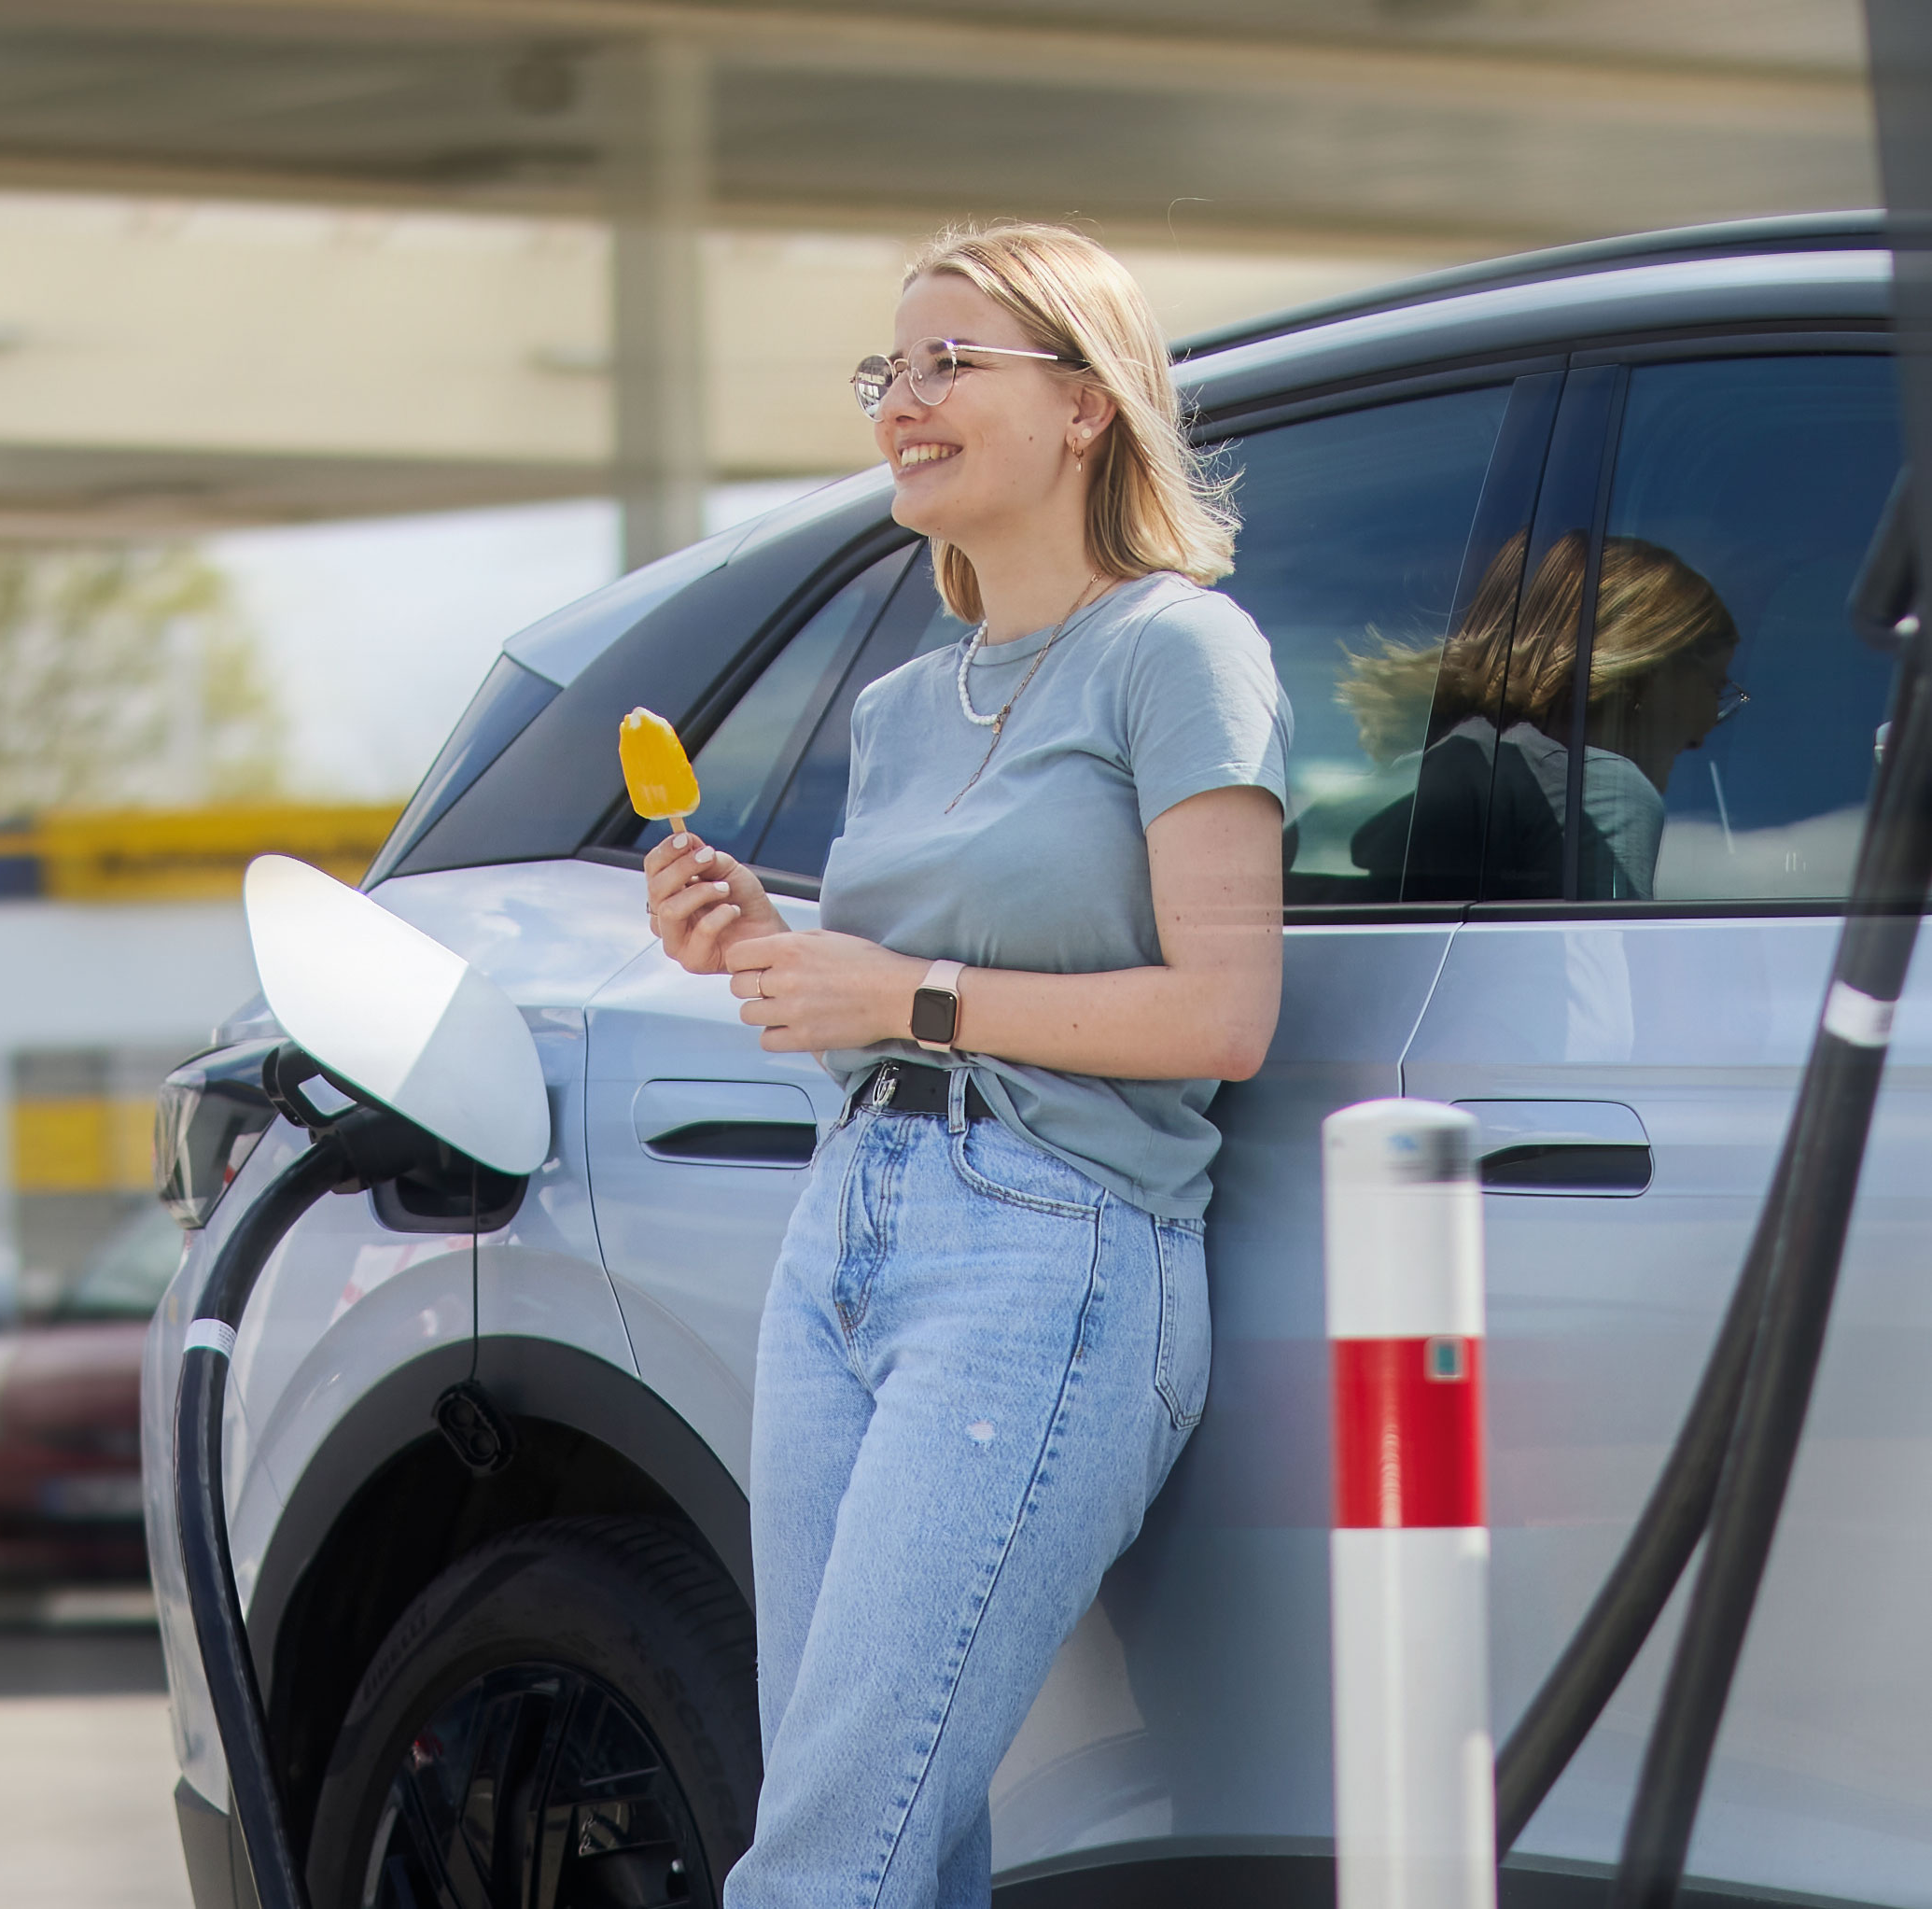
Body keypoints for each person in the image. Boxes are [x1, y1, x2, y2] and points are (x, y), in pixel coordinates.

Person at [641, 222, 1289, 1909]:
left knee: (823, 1856)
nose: (899, 403)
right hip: (845, 1232)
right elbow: (896, 994)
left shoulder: (1178, 652)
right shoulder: (908, 705)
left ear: (1084, 405)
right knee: (888, 1832)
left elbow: (1220, 1018)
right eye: (887, 371)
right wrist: (761, 948)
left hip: (1049, 1250)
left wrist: (902, 994)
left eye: (950, 364)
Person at [1328, 530, 1739, 901]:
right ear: (1646, 672)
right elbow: (1599, 975)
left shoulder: (1411, 779)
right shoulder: (1601, 792)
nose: (1705, 732)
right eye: (1715, 687)